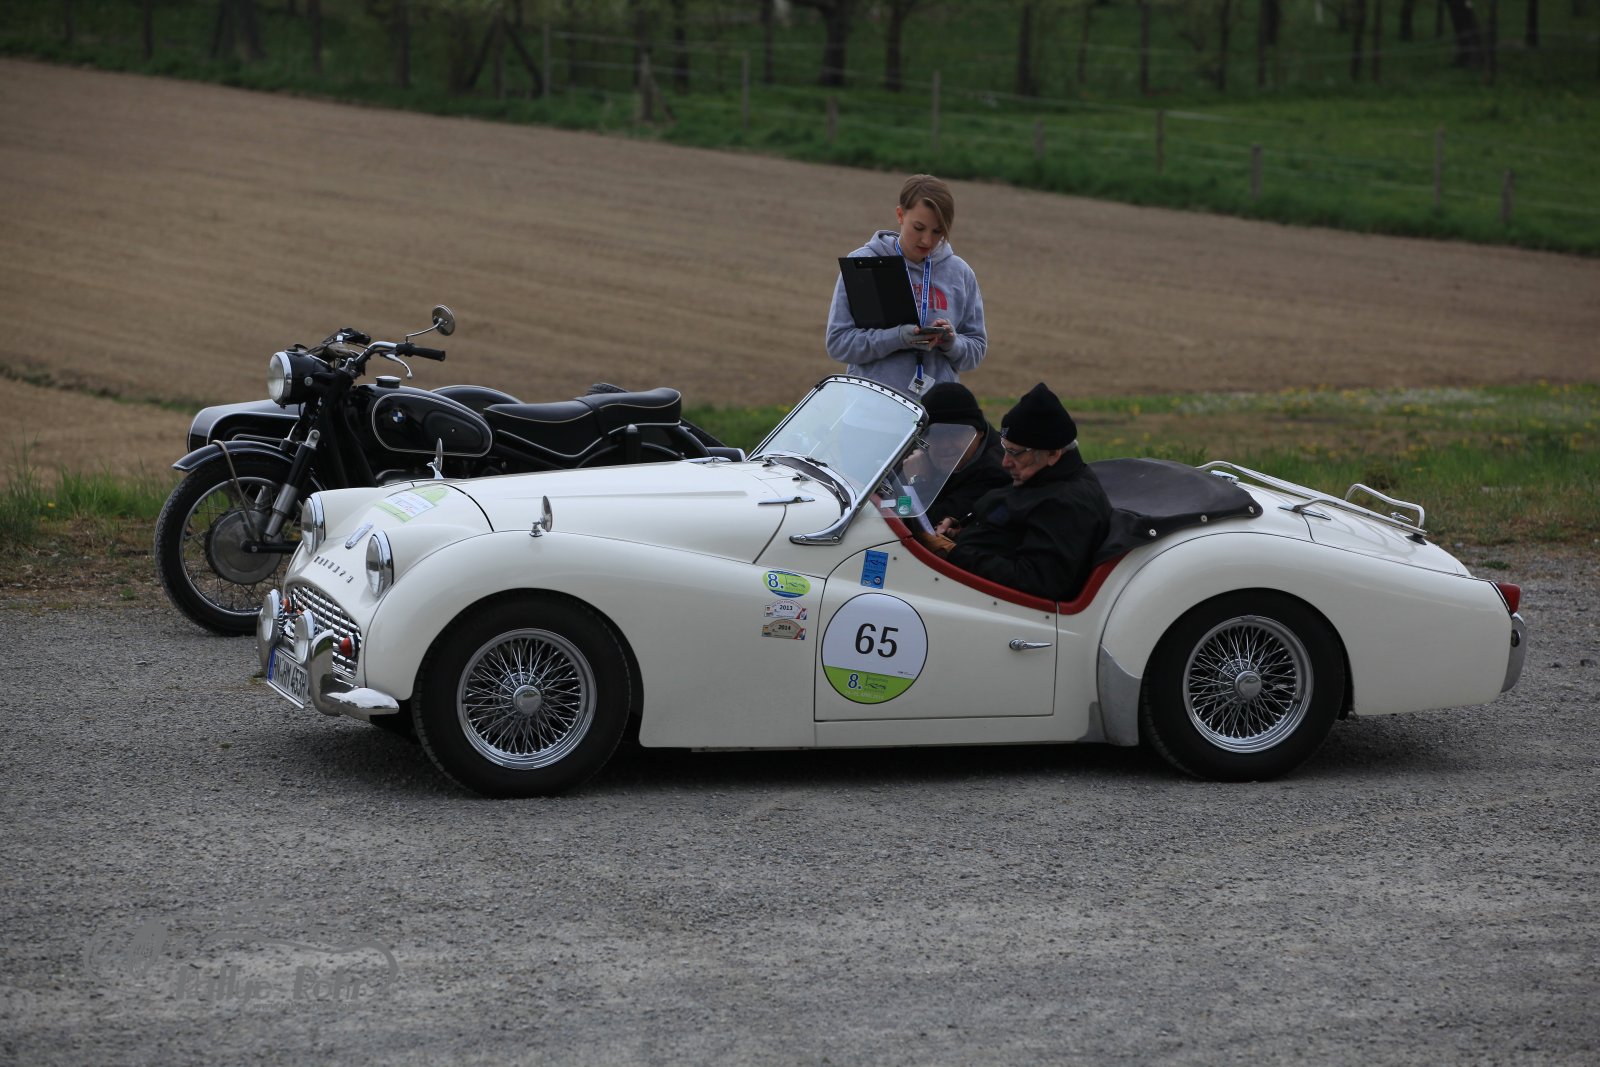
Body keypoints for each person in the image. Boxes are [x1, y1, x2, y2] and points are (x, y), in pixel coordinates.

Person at [921, 382, 1111, 602]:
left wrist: (953, 553)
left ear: (1053, 454)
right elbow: (1009, 523)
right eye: (1005, 449)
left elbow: (1038, 581)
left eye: (1015, 453)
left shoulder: (1065, 503)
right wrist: (961, 528)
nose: (1005, 463)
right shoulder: (1040, 479)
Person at [825, 174, 987, 396]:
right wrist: (898, 338)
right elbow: (838, 344)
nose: (927, 240)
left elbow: (976, 351)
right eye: (919, 228)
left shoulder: (961, 273)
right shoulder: (863, 265)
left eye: (938, 231)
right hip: (870, 406)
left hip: (933, 411)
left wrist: (952, 342)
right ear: (900, 215)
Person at [918, 381, 1008, 529]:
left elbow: (928, 525)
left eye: (955, 433)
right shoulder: (922, 449)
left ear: (979, 432)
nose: (945, 445)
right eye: (936, 434)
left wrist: (919, 481)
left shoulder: (996, 473)